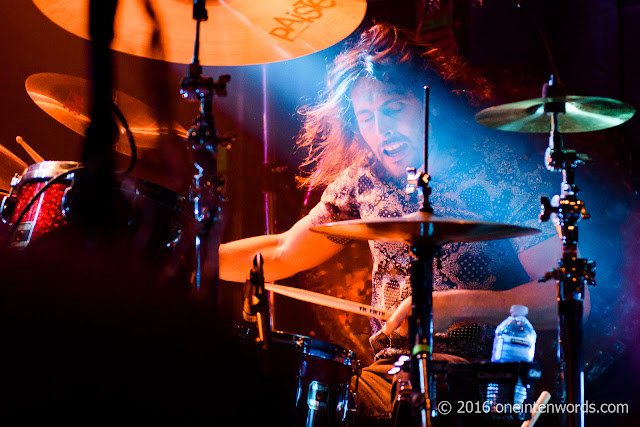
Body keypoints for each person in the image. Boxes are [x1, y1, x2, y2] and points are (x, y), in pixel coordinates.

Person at [219, 23, 588, 425]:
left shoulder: (501, 174)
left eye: (393, 108)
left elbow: (571, 298)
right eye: (367, 117)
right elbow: (281, 253)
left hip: (484, 383)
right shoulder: (362, 181)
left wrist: (458, 306)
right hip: (390, 375)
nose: (382, 131)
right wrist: (190, 257)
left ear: (431, 102)